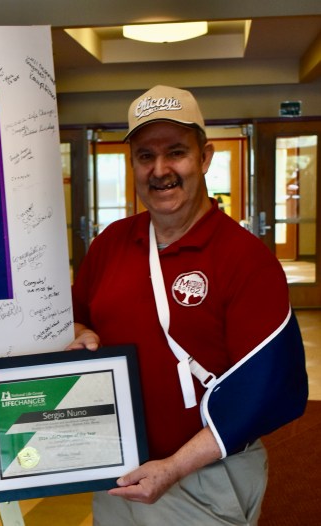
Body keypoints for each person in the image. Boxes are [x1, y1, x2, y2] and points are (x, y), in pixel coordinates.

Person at [67, 85, 308, 525]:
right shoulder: (110, 244)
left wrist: (175, 466)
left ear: (204, 157)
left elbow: (264, 390)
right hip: (118, 469)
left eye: (175, 152)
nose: (160, 170)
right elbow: (76, 313)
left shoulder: (245, 258)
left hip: (203, 476)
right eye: (145, 156)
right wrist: (81, 331)